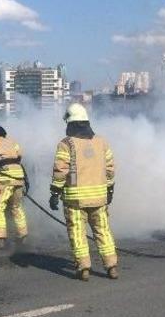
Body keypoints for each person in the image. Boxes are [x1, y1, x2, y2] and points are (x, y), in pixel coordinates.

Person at [49, 104, 118, 281]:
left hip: (74, 200)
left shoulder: (66, 144)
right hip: (99, 198)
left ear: (70, 124)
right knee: (103, 231)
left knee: (77, 233)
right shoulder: (101, 141)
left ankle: (84, 268)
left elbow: (60, 170)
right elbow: (110, 168)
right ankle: (111, 266)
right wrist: (109, 188)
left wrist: (55, 192)